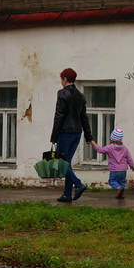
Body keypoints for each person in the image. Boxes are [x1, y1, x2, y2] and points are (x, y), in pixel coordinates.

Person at [50, 68, 94, 202]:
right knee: (67, 163)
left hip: (65, 132)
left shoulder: (63, 93)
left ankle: (78, 184)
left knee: (60, 162)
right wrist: (88, 136)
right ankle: (67, 194)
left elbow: (59, 116)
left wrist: (54, 136)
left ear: (64, 79)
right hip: (77, 133)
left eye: (61, 79)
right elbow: (84, 117)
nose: (61, 82)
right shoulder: (80, 96)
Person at [90, 128, 134, 199]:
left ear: (112, 139)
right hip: (123, 169)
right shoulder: (125, 148)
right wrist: (132, 166)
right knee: (122, 181)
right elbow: (129, 158)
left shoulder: (109, 148)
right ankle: (121, 194)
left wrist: (94, 144)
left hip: (114, 169)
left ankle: (118, 189)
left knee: (112, 181)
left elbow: (100, 150)